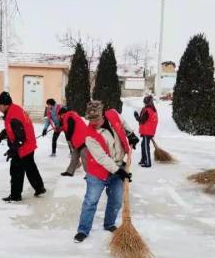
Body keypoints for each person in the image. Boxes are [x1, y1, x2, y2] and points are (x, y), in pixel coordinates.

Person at [74, 101, 133, 243]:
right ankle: (83, 230)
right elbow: (101, 158)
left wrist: (130, 134)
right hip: (98, 172)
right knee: (91, 201)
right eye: (90, 119)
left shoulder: (112, 114)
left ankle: (109, 223)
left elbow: (122, 122)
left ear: (103, 114)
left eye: (96, 118)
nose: (93, 122)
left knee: (116, 200)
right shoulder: (89, 135)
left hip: (118, 165)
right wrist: (120, 172)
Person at [0, 91, 46, 202]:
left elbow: (20, 138)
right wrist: (4, 133)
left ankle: (15, 196)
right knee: (30, 168)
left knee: (16, 171)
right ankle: (39, 187)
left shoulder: (13, 115)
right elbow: (15, 128)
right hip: (28, 145)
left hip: (24, 147)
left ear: (5, 105)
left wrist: (12, 150)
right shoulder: (14, 109)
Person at [58, 106, 88, 177]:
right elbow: (67, 127)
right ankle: (70, 172)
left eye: (60, 115)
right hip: (78, 140)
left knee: (84, 158)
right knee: (74, 156)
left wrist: (68, 139)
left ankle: (90, 175)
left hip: (83, 140)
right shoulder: (70, 117)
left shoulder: (69, 117)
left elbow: (70, 128)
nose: (61, 117)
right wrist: (60, 128)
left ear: (63, 114)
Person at [133, 95, 158, 167]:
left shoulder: (147, 110)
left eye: (145, 102)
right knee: (143, 145)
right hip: (149, 130)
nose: (144, 104)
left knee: (146, 146)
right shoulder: (153, 109)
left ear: (147, 102)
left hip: (147, 131)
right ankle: (143, 159)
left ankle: (148, 162)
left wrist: (136, 116)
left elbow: (142, 120)